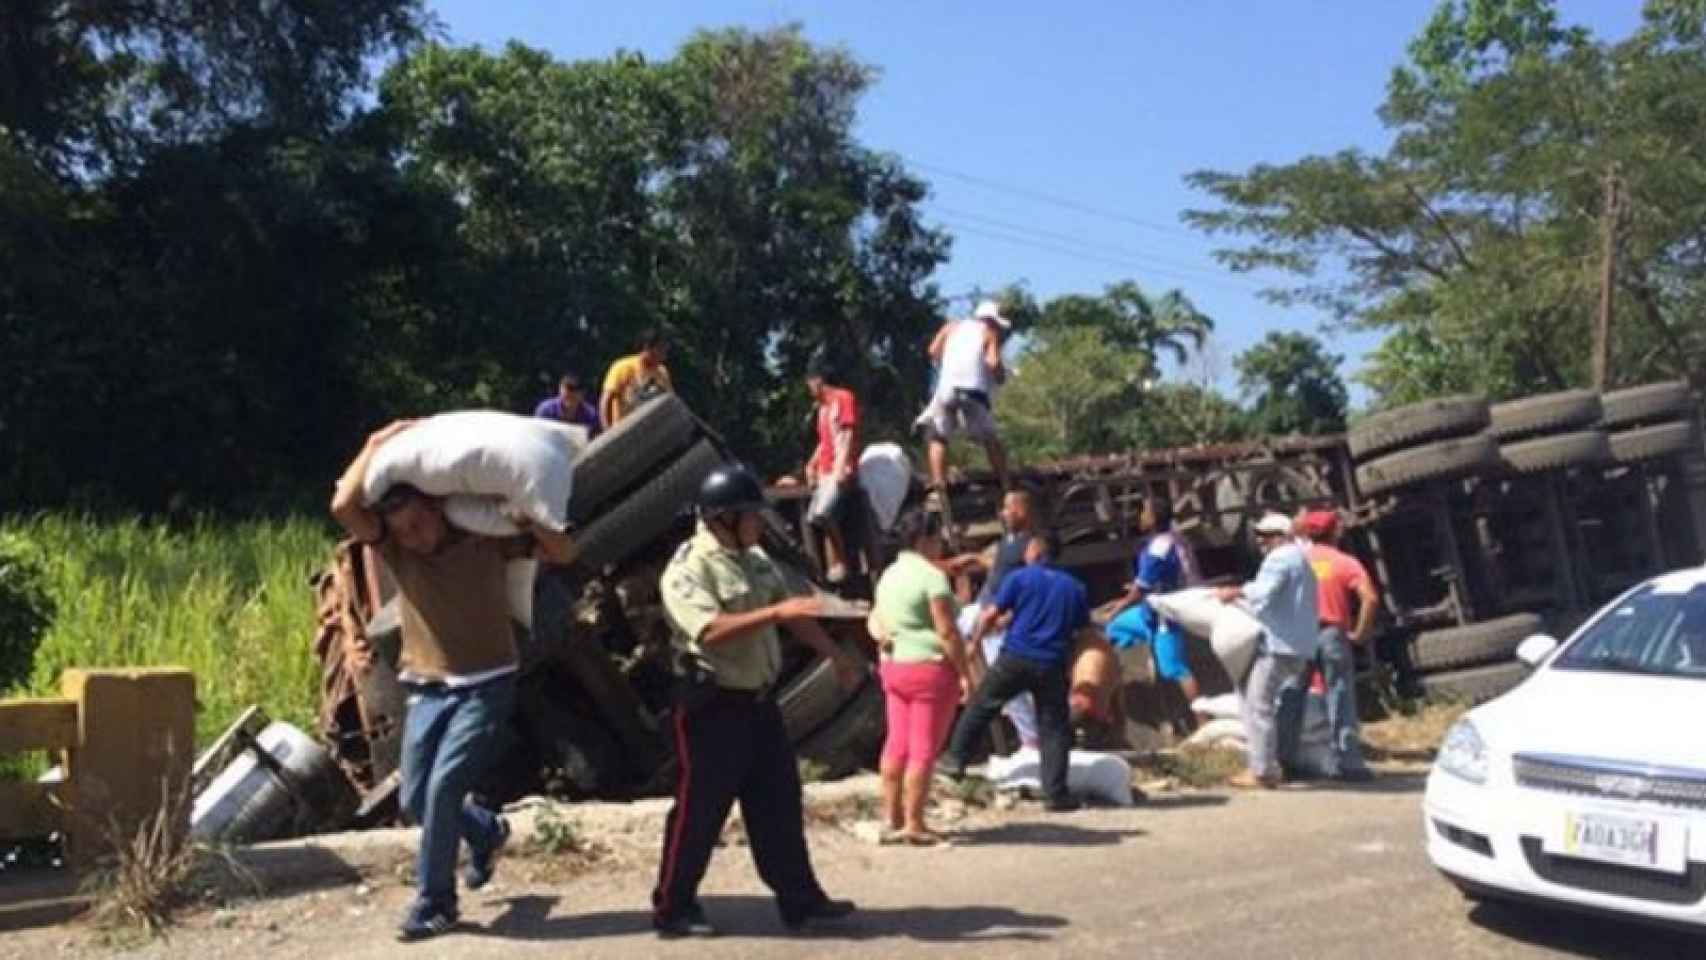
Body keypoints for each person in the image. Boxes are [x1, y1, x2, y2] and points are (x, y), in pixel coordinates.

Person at [330, 420, 576, 942]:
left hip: (488, 682)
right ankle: (484, 831)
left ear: (439, 509)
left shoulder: (489, 538)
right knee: (415, 800)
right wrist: (375, 444)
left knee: (443, 788)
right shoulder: (394, 549)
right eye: (402, 531)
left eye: (419, 524)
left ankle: (435, 902)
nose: (413, 538)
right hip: (426, 684)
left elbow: (564, 554)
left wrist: (529, 521)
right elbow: (343, 508)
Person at [651, 463, 861, 938]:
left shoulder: (755, 558)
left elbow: (791, 613)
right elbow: (710, 630)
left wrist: (835, 655)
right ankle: (673, 906)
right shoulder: (689, 568)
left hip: (758, 703)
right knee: (698, 811)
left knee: (779, 802)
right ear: (723, 518)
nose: (759, 524)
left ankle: (801, 901)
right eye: (751, 516)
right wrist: (776, 611)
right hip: (710, 706)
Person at [938, 531, 1089, 812]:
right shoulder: (1075, 588)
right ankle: (1056, 793)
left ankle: (955, 760)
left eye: (1029, 547)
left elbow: (990, 614)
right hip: (1052, 662)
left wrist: (974, 643)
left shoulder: (1020, 578)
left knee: (983, 704)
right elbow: (1079, 630)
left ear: (1036, 551)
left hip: (1017, 657)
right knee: (1054, 727)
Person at [868, 508, 974, 844]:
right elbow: (947, 632)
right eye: (938, 539)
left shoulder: (889, 575)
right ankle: (915, 822)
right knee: (924, 749)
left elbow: (876, 620)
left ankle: (893, 816)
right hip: (929, 667)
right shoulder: (932, 578)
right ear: (926, 540)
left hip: (895, 665)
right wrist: (965, 673)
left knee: (896, 743)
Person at [1216, 512, 1320, 790]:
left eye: (1263, 537)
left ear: (1277, 537)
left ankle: (1263, 770)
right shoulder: (1301, 559)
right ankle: (1268, 765)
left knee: (1257, 705)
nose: (1260, 542)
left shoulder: (1279, 558)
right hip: (1299, 643)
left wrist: (1235, 593)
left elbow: (1263, 592)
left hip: (1278, 645)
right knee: (1262, 702)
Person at [1278, 510, 1378, 781]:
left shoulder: (1294, 562)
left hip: (1300, 635)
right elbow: (1369, 598)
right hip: (1333, 633)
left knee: (1291, 696)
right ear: (1335, 532)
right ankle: (1350, 763)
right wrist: (1360, 632)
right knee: (1340, 694)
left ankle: (1283, 761)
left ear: (1308, 533)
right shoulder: (1345, 562)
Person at [1106, 500, 1202, 728]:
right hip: (1149, 609)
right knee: (1114, 629)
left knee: (1176, 669)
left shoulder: (1158, 547)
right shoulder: (1174, 539)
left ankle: (1203, 721)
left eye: (1144, 512)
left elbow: (1142, 587)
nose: (1140, 516)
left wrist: (1119, 605)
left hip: (1164, 613)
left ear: (1153, 519)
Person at [917, 300, 1013, 495]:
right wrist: (1001, 376)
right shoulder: (989, 332)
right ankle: (1006, 485)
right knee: (990, 438)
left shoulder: (951, 327)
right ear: (991, 320)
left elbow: (932, 351)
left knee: (938, 437)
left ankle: (939, 487)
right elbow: (993, 363)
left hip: (946, 389)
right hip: (972, 392)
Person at [803, 365, 862, 585]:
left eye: (810, 383)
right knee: (814, 517)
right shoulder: (822, 409)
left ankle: (842, 561)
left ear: (818, 381)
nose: (809, 388)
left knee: (824, 513)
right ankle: (831, 567)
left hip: (839, 468)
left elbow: (847, 434)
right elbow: (824, 441)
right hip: (824, 470)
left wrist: (841, 467)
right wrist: (812, 463)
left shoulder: (843, 398)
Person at [601, 328, 674, 427]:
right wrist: (607, 430)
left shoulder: (662, 372)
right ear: (647, 347)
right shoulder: (623, 367)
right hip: (624, 428)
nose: (664, 356)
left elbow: (669, 400)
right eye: (661, 350)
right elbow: (607, 400)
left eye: (666, 351)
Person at [533, 373, 602, 438]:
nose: (572, 393)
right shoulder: (545, 410)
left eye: (577, 388)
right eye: (569, 387)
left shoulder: (591, 415)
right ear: (560, 388)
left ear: (583, 392)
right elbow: (538, 436)